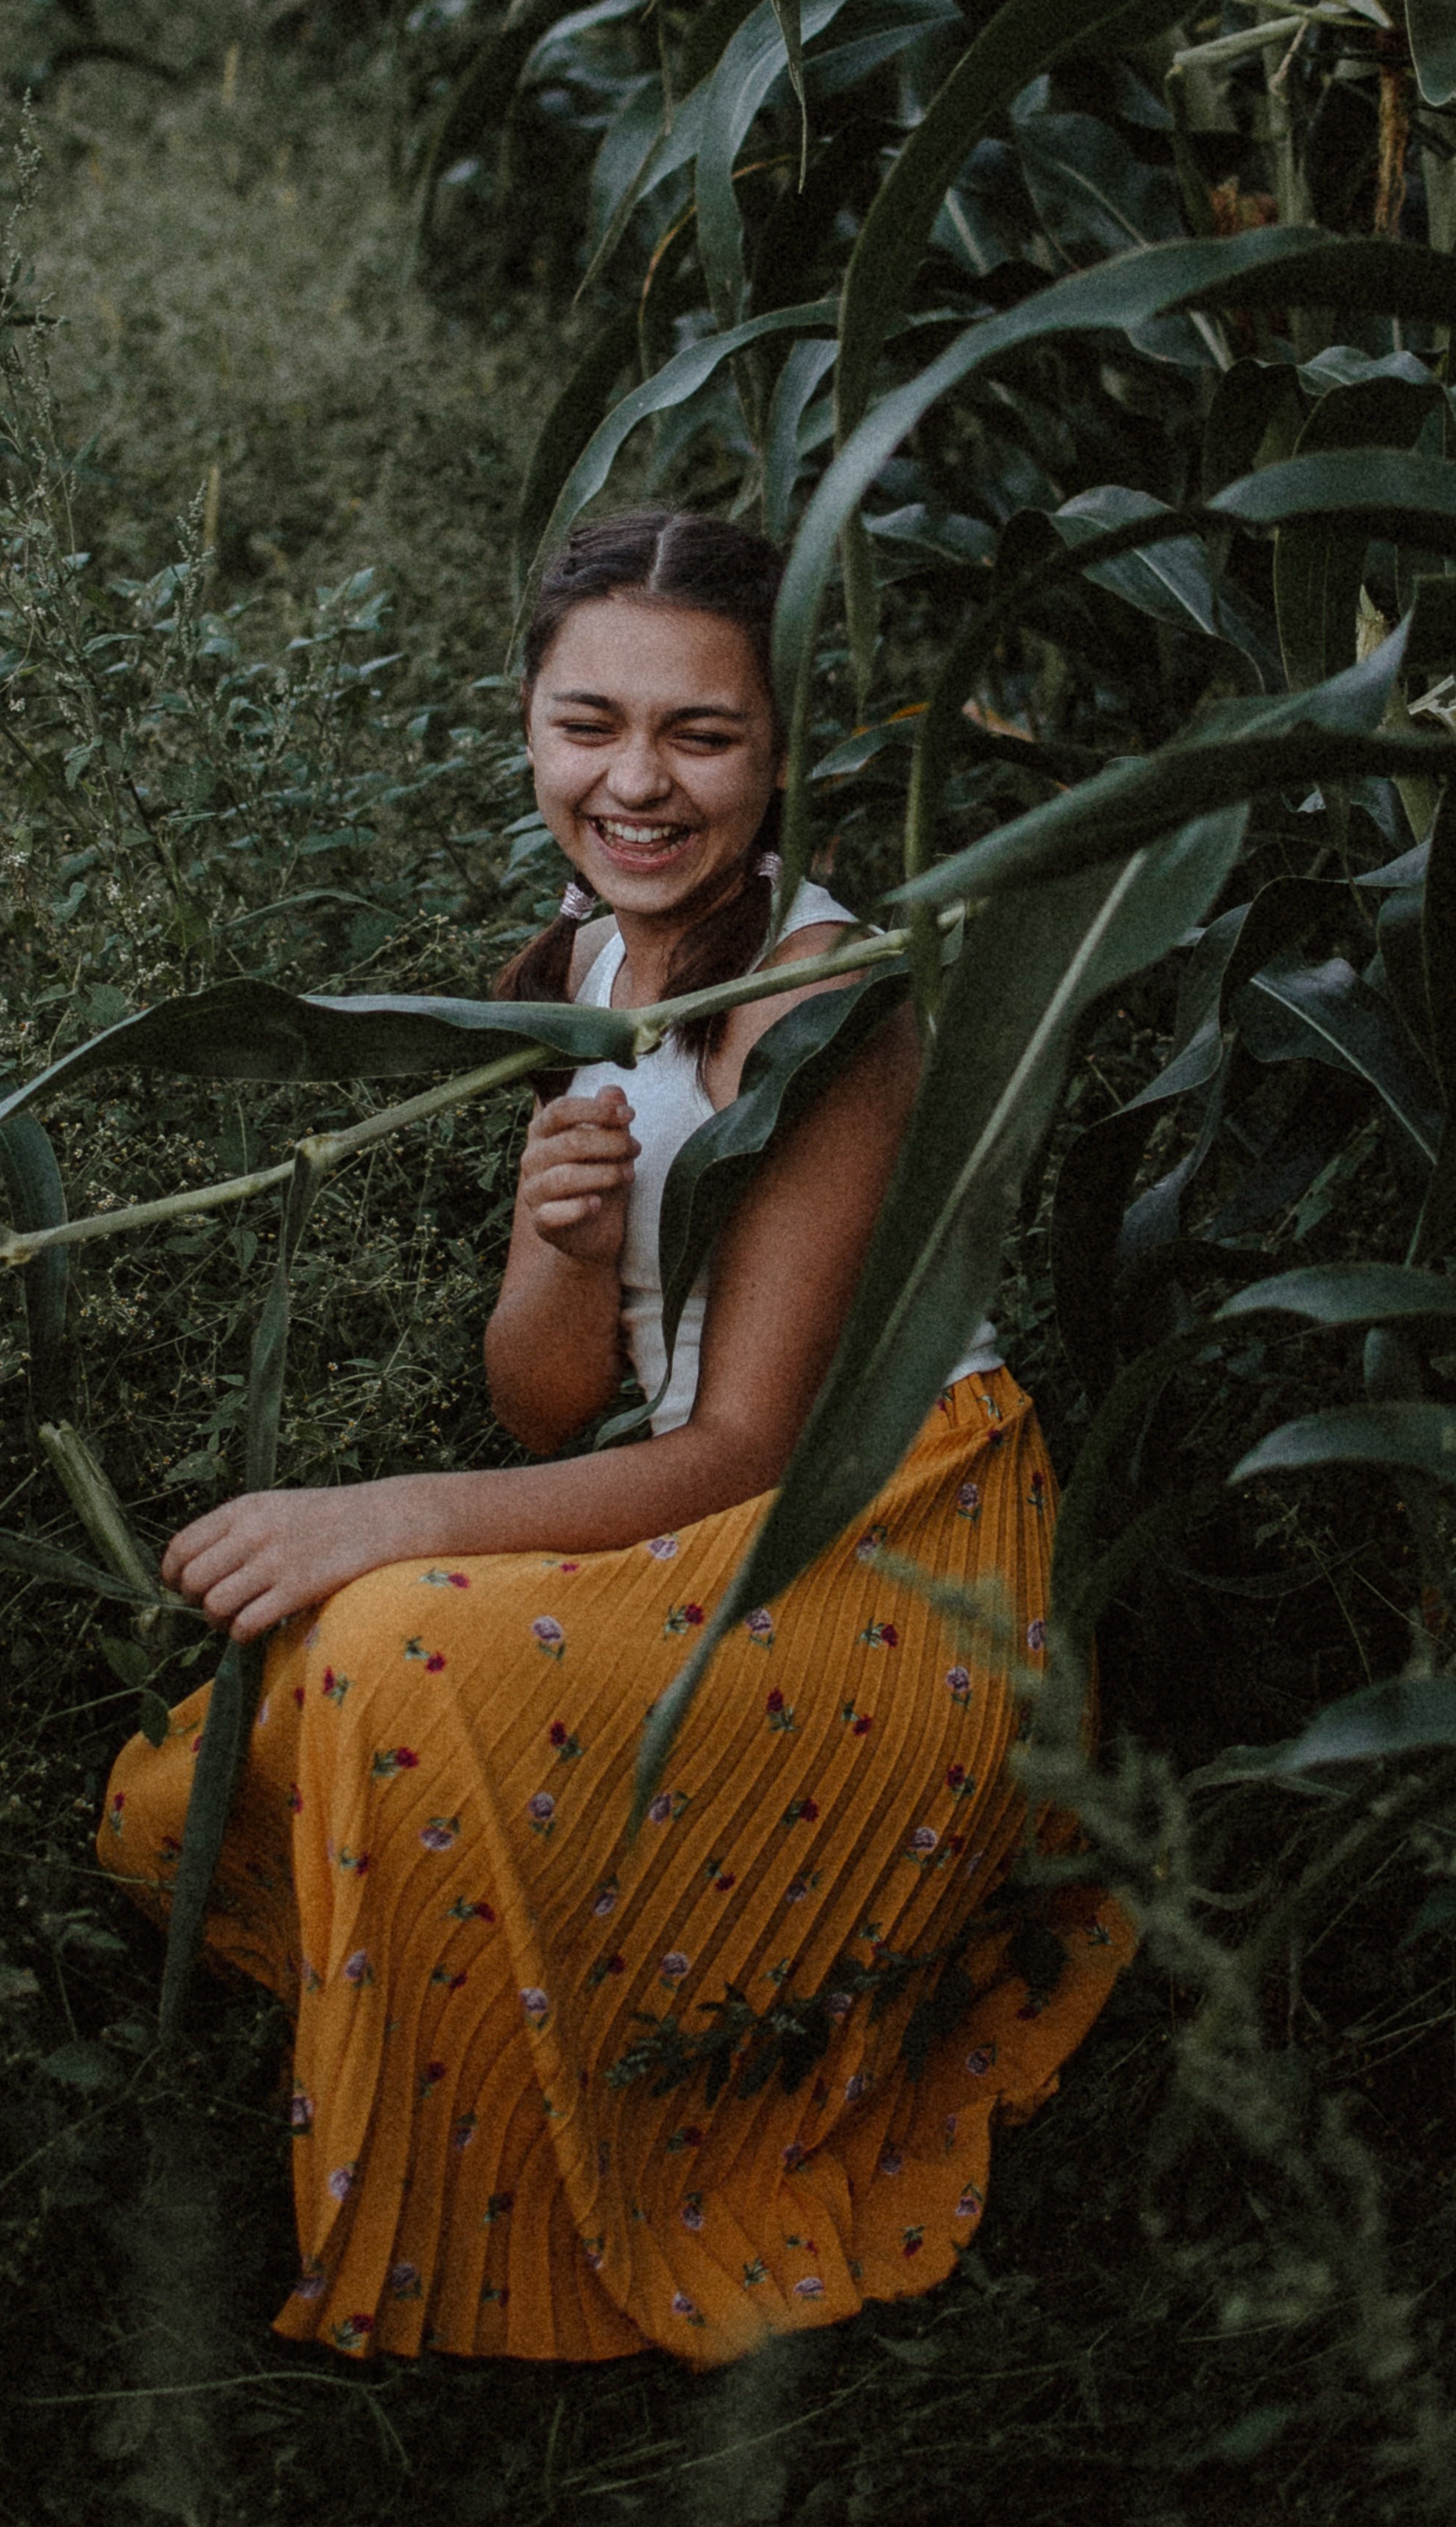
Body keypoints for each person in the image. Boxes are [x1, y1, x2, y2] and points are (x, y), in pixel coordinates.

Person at [98, 508, 1130, 2369]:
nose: (635, 782)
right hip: (695, 1498)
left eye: (702, 735)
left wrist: (382, 1515)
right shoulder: (581, 964)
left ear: (786, 747)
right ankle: (517, 2035)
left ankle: (526, 2223)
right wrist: (571, 1238)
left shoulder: (828, 1004)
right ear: (526, 723)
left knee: (400, 1654)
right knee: (231, 1751)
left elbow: (750, 1447)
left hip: (888, 1535)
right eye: (590, 724)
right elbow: (550, 1398)